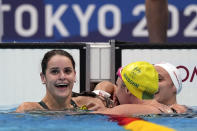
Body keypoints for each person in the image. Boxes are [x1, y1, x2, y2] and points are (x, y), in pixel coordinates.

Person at [93, 61, 174, 116]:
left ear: (128, 90)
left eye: (117, 86)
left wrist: (97, 99)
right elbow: (108, 85)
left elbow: (92, 114)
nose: (116, 92)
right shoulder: (163, 108)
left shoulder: (124, 110)